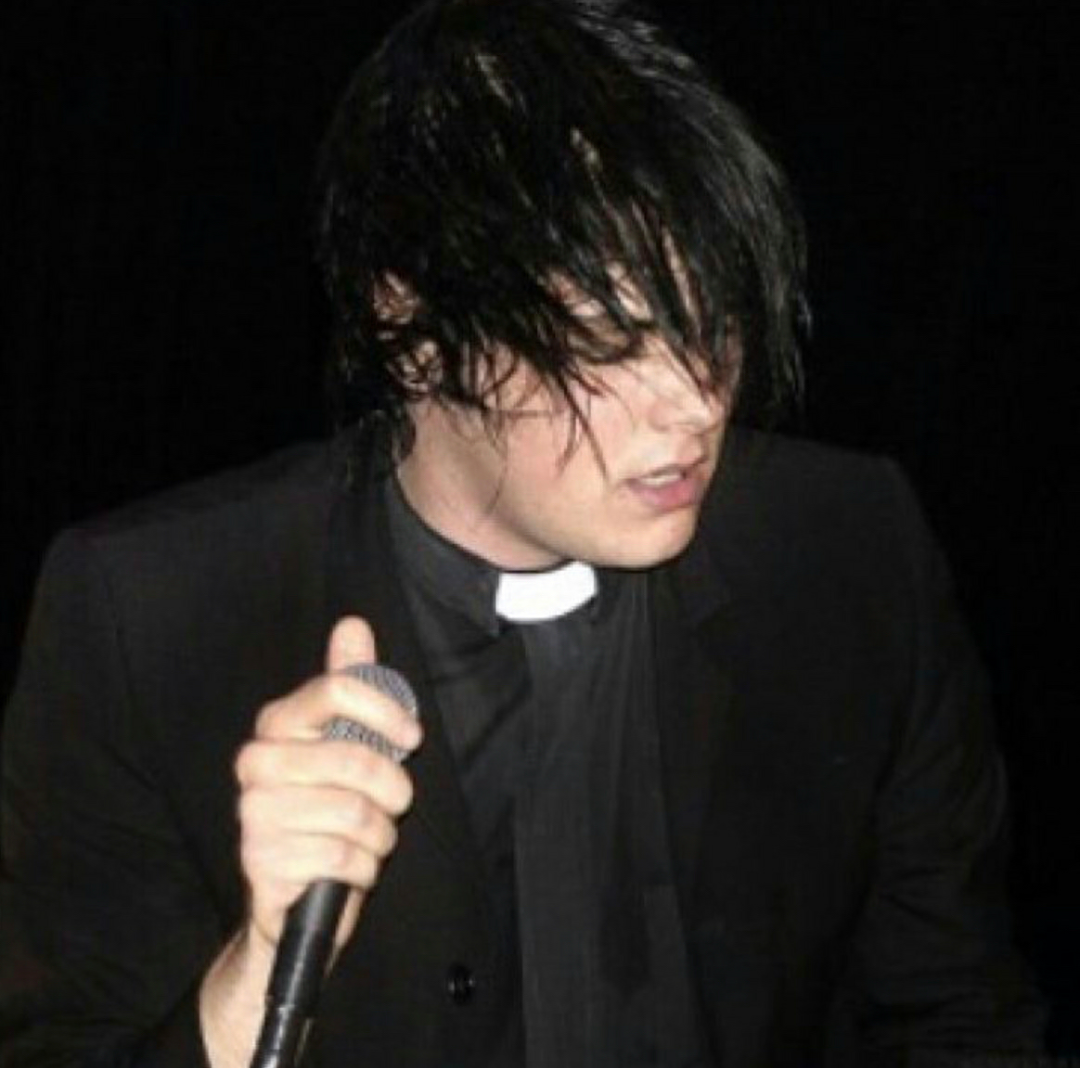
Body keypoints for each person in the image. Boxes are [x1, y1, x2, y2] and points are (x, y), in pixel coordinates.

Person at [0, 0, 1046, 1065]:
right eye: (606, 341)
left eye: (716, 322)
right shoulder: (150, 619)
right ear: (413, 329)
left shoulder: (851, 549)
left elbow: (962, 1017)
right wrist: (257, 969)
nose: (697, 405)